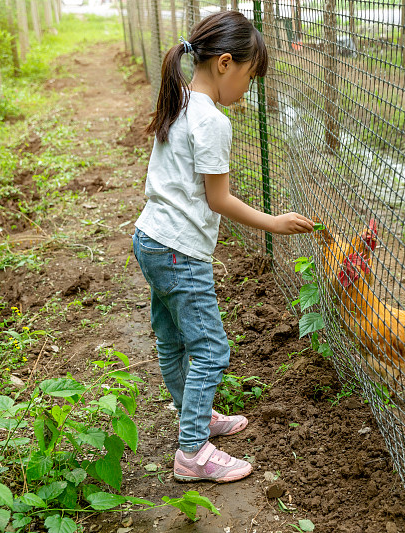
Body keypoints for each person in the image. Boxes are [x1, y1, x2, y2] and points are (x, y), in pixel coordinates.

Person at [132, 11, 314, 483]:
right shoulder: (212, 121)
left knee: (173, 341)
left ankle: (196, 416)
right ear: (226, 64)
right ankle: (193, 451)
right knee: (212, 349)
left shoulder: (179, 99)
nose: (248, 91)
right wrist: (273, 223)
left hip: (150, 238)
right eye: (250, 78)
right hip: (179, 251)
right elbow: (219, 198)